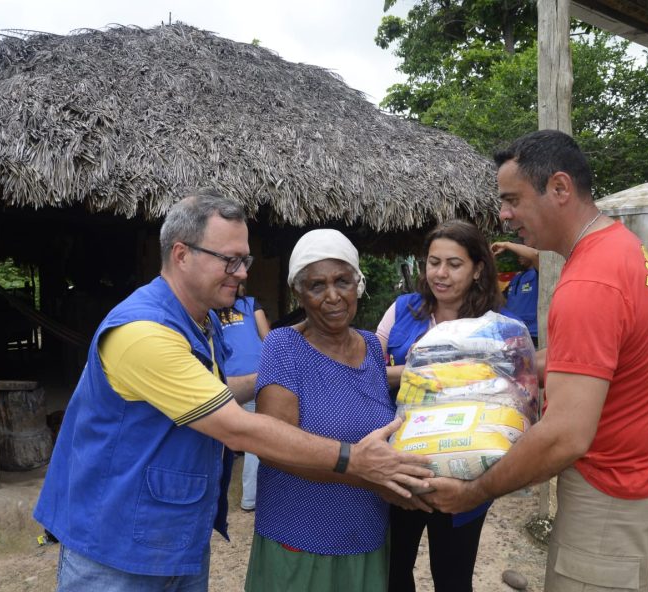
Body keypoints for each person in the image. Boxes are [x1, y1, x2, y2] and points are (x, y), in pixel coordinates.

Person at [33, 191, 432, 592]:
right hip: (115, 545)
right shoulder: (144, 332)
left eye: (245, 260)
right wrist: (355, 461)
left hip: (176, 538)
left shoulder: (200, 324)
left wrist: (289, 377)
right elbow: (237, 428)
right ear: (182, 255)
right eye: (230, 260)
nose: (242, 272)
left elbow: (205, 390)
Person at [422, 130, 648, 592]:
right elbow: (585, 359)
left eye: (511, 199)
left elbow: (564, 436)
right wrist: (493, 365)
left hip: (608, 504)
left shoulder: (589, 285)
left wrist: (472, 493)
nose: (503, 215)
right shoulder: (622, 247)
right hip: (644, 489)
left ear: (559, 189)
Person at [245, 229, 430, 592]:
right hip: (299, 540)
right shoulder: (284, 348)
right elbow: (273, 449)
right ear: (299, 292)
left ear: (357, 284)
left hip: (365, 536)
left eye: (342, 281)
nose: (333, 296)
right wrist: (371, 476)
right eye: (316, 285)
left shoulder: (372, 349)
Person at [375, 219, 503, 592]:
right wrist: (415, 368)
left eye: (454, 264)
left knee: (452, 577)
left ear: (478, 269)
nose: (440, 274)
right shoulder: (403, 311)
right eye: (433, 262)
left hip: (463, 473)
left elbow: (510, 393)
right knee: (392, 573)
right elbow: (367, 375)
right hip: (402, 469)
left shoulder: (495, 325)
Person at [216, 283, 270, 512]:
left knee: (252, 440)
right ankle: (241, 499)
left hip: (255, 380)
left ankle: (249, 499)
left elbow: (267, 338)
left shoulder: (250, 303)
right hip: (229, 383)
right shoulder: (209, 310)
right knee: (241, 440)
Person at [491, 240, 540, 346]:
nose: (519, 256)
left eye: (522, 253)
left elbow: (536, 255)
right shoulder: (517, 278)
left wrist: (506, 244)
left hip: (532, 334)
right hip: (512, 334)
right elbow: (502, 301)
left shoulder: (538, 274)